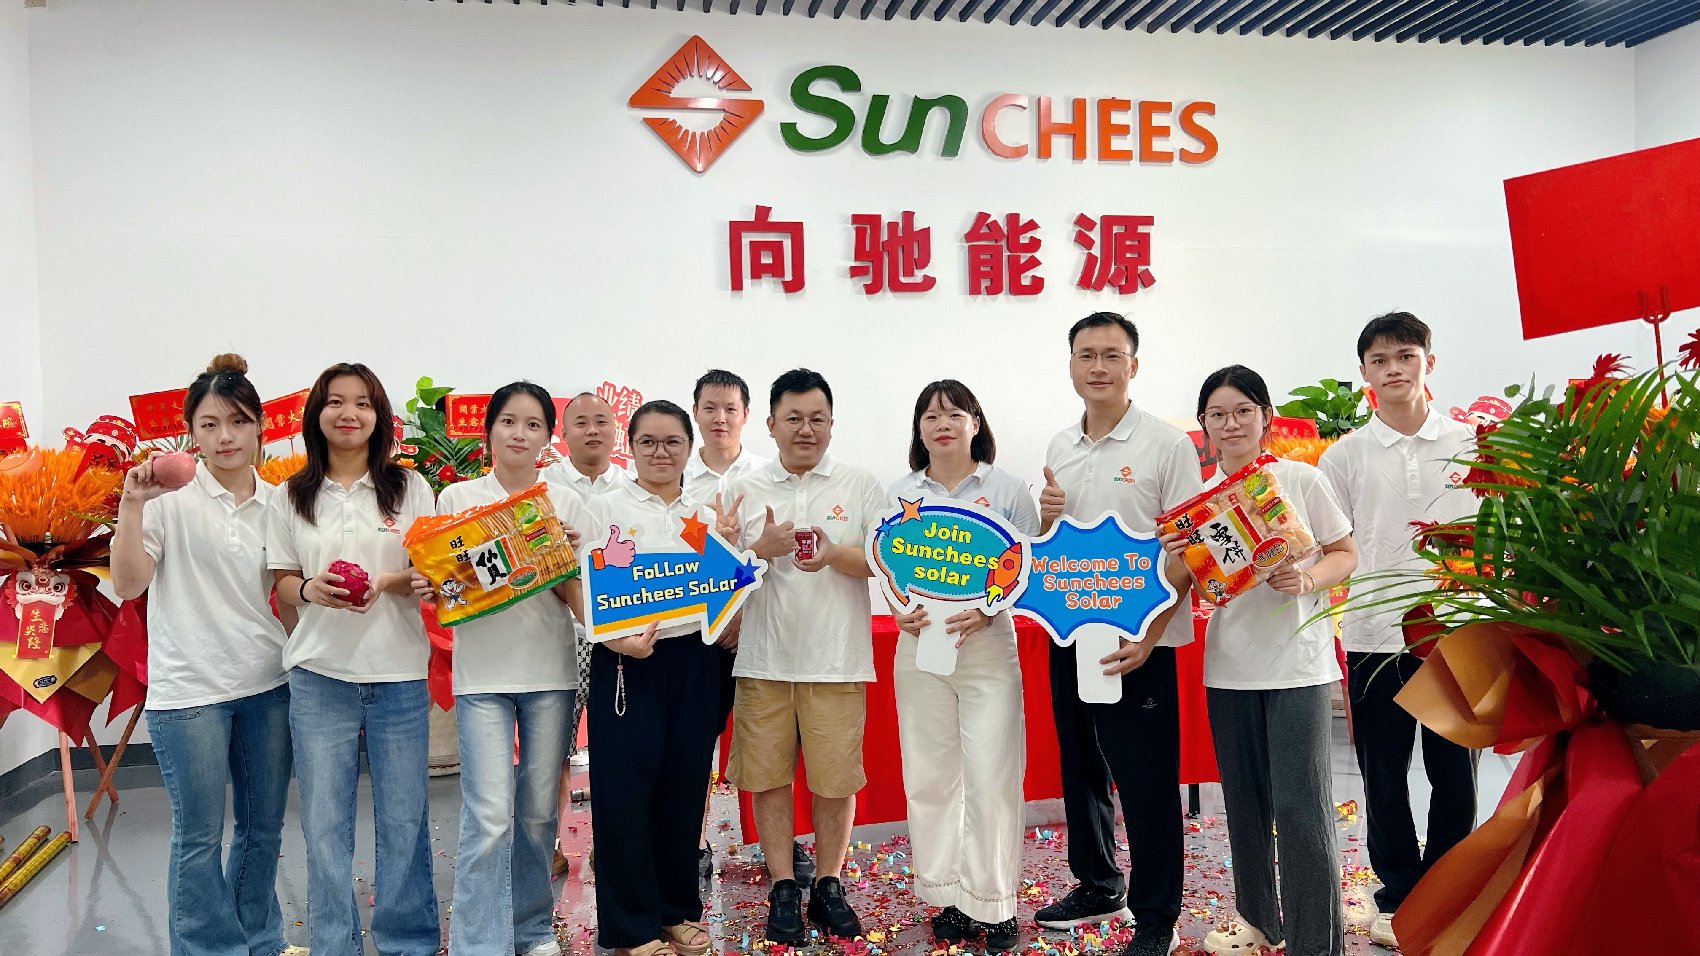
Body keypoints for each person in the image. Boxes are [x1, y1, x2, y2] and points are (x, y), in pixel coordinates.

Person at [109, 354, 306, 956]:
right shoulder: (166, 502)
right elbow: (129, 584)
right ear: (190, 432)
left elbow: (288, 594)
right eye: (210, 424)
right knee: (197, 838)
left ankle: (259, 941)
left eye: (238, 422)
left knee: (262, 830)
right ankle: (207, 949)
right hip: (189, 692)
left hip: (266, 685)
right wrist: (131, 505)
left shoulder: (280, 503)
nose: (226, 437)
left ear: (260, 428)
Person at [1164, 366, 1358, 956]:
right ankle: (1258, 922)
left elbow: (1345, 553)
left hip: (1298, 666)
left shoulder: (1299, 479)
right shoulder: (1197, 504)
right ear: (1204, 426)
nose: (1231, 424)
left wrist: (1308, 579)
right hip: (1228, 668)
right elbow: (1184, 585)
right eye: (1218, 414)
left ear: (1266, 417)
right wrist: (1175, 553)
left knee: (1302, 808)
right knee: (1244, 805)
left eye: (1243, 411)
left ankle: (1315, 941)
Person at [1035, 312, 1203, 956]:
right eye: (1087, 355)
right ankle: (1098, 881)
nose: (1098, 367)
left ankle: (1156, 915)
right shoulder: (1060, 445)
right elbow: (1054, 550)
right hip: (1071, 631)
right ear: (1070, 365)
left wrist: (1151, 636)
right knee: (1081, 766)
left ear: (1134, 365)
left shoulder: (1167, 445)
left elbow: (1190, 551)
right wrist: (1046, 518)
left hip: (1138, 641)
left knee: (1146, 779)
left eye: (1112, 355)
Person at [1318, 312, 1479, 951]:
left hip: (1454, 634)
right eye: (1380, 360)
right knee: (1381, 774)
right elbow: (1329, 545)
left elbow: (1493, 536)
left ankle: (1450, 887)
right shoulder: (1343, 456)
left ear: (1428, 363)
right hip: (1373, 633)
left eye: (1406, 356)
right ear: (1364, 372)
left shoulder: (1471, 444)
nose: (1394, 369)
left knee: (1454, 771)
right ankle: (1397, 893)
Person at [268, 362, 441, 956]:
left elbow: (429, 568)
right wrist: (310, 589)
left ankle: (407, 942)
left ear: (379, 416)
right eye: (336, 402)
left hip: (398, 674)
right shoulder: (291, 494)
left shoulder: (409, 488)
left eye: (363, 403)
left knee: (404, 820)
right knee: (323, 825)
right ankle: (333, 944)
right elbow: (282, 580)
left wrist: (387, 582)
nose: (349, 414)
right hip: (319, 676)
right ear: (317, 414)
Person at [721, 369, 886, 944]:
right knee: (767, 780)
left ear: (832, 424)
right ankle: (784, 885)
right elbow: (716, 575)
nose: (805, 429)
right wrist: (754, 549)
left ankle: (829, 884)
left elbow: (886, 561)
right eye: (793, 418)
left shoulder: (860, 484)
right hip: (763, 659)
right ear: (770, 424)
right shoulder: (745, 488)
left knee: (834, 782)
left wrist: (835, 554)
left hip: (837, 660)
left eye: (817, 418)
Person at [439, 381, 592, 956]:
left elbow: (583, 596)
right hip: (481, 677)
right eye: (508, 421)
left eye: (533, 424)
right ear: (489, 431)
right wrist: (454, 576)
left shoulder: (565, 504)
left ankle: (531, 929)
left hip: (550, 675)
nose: (520, 434)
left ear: (548, 437)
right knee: (488, 816)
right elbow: (447, 589)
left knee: (535, 815)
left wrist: (563, 558)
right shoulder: (457, 499)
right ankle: (477, 941)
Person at [887, 380, 1040, 953]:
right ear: (919, 430)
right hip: (920, 648)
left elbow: (1031, 568)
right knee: (930, 776)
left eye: (953, 413)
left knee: (993, 776)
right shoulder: (901, 492)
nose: (942, 424)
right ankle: (946, 894)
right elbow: (886, 564)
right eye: (930, 416)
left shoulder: (1006, 490)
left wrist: (990, 607)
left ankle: (994, 901)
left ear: (976, 423)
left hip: (987, 649)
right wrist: (898, 609)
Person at [583, 400, 723, 956]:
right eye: (648, 442)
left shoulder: (706, 511)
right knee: (623, 794)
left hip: (695, 659)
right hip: (626, 660)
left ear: (690, 447)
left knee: (684, 790)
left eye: (672, 442)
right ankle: (631, 927)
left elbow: (722, 586)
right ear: (631, 447)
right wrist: (612, 639)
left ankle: (676, 911)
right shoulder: (605, 507)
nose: (660, 452)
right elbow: (577, 585)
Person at [683, 369, 790, 890]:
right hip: (696, 637)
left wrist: (741, 614)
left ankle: (777, 847)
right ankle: (691, 842)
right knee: (695, 743)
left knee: (768, 743)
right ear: (696, 412)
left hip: (757, 633)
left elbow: (780, 562)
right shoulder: (678, 480)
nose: (720, 418)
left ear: (747, 415)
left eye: (730, 408)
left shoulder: (769, 476)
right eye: (710, 407)